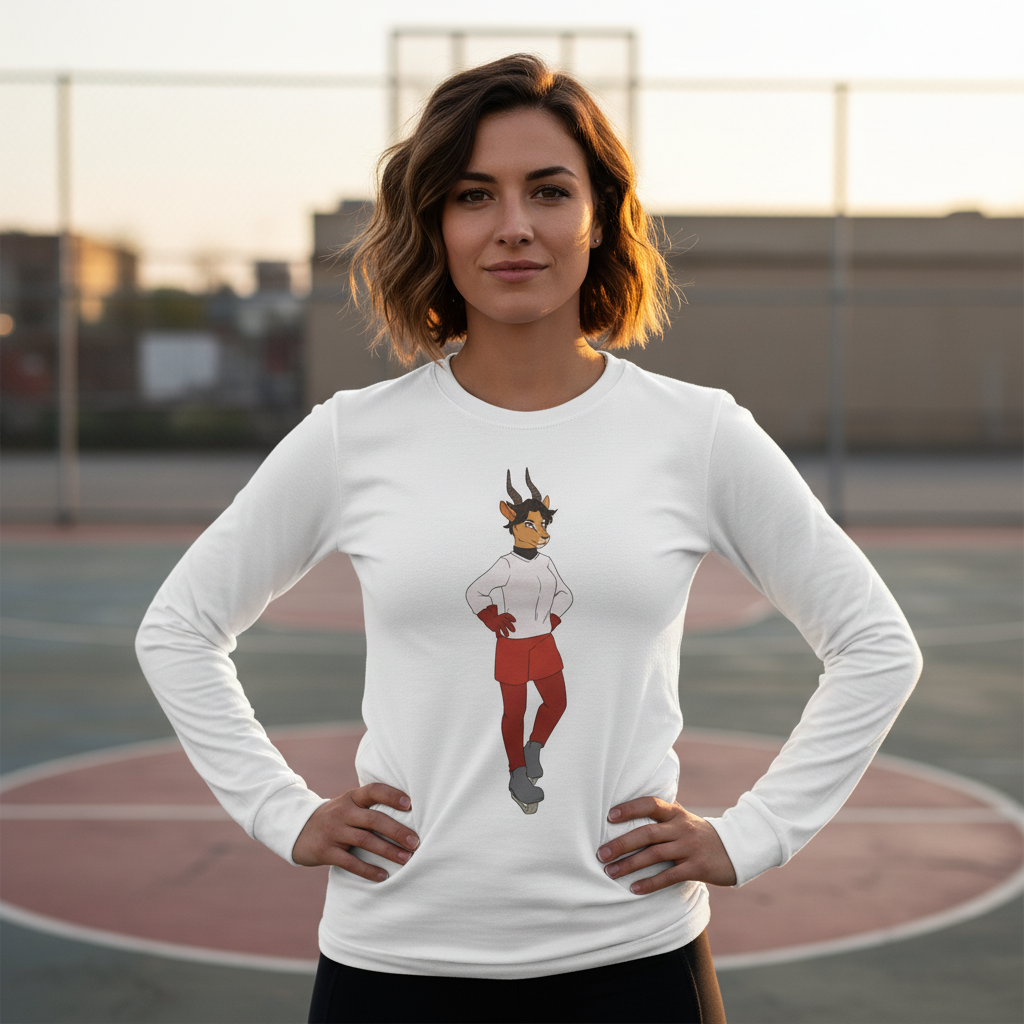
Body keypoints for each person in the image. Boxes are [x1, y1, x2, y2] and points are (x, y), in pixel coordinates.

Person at [136, 54, 922, 1024]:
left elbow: (875, 645)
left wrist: (754, 834)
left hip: (633, 958)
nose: (513, 225)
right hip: (396, 960)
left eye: (548, 190)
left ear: (599, 216)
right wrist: (281, 810)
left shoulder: (697, 431)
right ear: (436, 224)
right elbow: (178, 628)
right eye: (474, 194)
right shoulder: (353, 433)